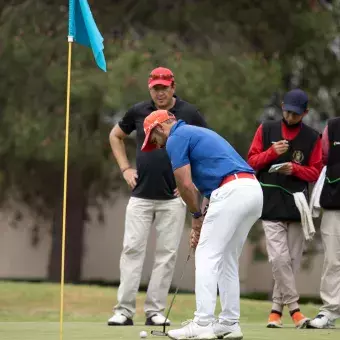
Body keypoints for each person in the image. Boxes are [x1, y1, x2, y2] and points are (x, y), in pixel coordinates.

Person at [141, 110, 263, 340]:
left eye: (153, 139)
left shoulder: (176, 137)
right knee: (226, 259)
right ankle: (229, 323)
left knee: (207, 254)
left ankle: (202, 323)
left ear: (158, 128)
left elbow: (184, 184)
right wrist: (201, 217)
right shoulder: (196, 133)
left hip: (232, 192)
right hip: (251, 191)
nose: (156, 145)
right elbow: (212, 186)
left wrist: (196, 215)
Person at [108, 67, 208, 326]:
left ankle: (154, 311)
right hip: (141, 196)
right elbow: (116, 136)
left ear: (173, 87)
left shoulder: (189, 113)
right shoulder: (138, 111)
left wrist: (191, 182)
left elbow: (204, 144)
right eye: (156, 88)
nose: (160, 92)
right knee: (131, 250)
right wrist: (126, 168)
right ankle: (124, 310)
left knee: (166, 254)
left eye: (165, 87)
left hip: (173, 199)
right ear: (150, 88)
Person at [247, 89, 322, 329]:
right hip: (269, 202)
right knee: (278, 258)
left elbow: (316, 171)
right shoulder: (266, 129)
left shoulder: (312, 137)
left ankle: (275, 311)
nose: (290, 117)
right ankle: (295, 310)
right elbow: (250, 162)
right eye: (287, 111)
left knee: (290, 261)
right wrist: (271, 153)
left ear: (305, 113)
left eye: (296, 114)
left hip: (297, 206)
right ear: (282, 106)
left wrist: (295, 169)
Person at [308, 117, 340, 329]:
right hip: (334, 201)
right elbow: (322, 158)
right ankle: (329, 311)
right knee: (332, 260)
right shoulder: (334, 127)